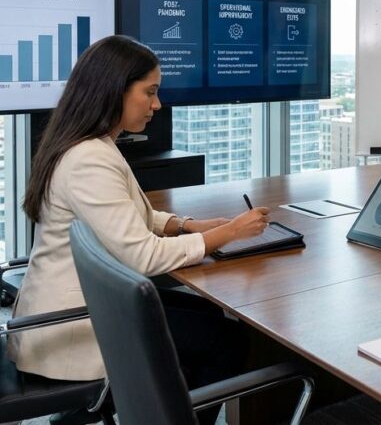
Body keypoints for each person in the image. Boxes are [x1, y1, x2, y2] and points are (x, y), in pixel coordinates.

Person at [10, 35, 271, 423]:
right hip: (72, 326)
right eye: (149, 92)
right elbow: (142, 255)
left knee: (212, 321)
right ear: (114, 90)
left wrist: (187, 225)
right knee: (225, 341)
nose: (157, 104)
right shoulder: (88, 160)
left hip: (86, 304)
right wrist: (228, 233)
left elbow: (126, 214)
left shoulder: (89, 143)